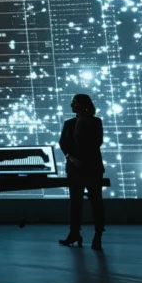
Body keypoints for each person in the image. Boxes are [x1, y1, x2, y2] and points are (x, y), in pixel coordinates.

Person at [58, 94, 106, 250]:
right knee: (75, 203)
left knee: (96, 203)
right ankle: (74, 234)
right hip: (74, 169)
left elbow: (97, 142)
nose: (72, 105)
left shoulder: (95, 122)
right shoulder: (69, 123)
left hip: (92, 168)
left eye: (75, 102)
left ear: (83, 104)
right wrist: (71, 158)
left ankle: (98, 235)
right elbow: (63, 143)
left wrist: (81, 159)